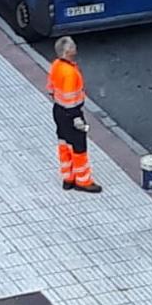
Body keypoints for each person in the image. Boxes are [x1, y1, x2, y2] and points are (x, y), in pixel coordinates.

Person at [47, 36, 102, 193]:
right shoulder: (70, 73)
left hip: (58, 111)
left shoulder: (56, 65)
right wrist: (77, 118)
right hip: (72, 114)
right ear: (67, 52)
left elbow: (50, 88)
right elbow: (71, 100)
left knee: (64, 144)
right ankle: (83, 181)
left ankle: (68, 178)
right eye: (73, 46)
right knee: (79, 147)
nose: (75, 48)